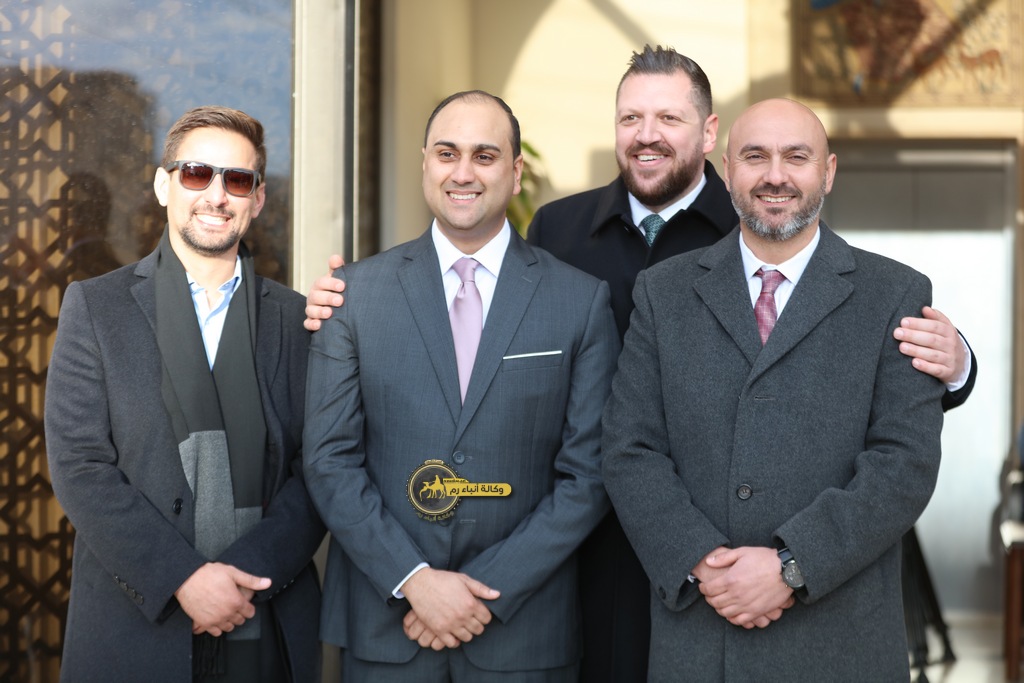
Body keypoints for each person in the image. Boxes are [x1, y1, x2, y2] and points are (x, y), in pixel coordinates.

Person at [303, 46, 975, 681]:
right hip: (599, 568)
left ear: (709, 137)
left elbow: (894, 424)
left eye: (669, 119)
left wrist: (959, 362)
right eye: (631, 118)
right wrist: (345, 304)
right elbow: (567, 409)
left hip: (758, 589)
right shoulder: (558, 231)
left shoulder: (771, 228)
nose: (647, 135)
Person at [601, 97, 945, 681]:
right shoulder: (662, 292)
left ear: (828, 172)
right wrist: (704, 562)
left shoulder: (895, 293)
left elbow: (903, 464)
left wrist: (793, 564)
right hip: (701, 636)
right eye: (755, 156)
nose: (775, 175)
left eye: (797, 157)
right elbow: (628, 448)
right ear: (727, 170)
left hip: (842, 644)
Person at [302, 90, 619, 682]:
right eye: (447, 153)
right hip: (386, 629)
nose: (463, 173)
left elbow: (590, 472)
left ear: (516, 172)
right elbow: (328, 460)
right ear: (425, 163)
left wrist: (484, 591)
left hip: (523, 635)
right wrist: (414, 580)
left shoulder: (579, 301)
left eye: (485, 155)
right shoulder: (353, 297)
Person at [45, 106, 325, 683]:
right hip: (134, 628)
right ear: (162, 185)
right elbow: (80, 466)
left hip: (266, 619)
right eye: (197, 173)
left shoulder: (299, 320)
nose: (216, 196)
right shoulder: (95, 308)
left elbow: (319, 467)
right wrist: (183, 578)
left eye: (238, 180)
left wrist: (241, 578)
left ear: (258, 199)